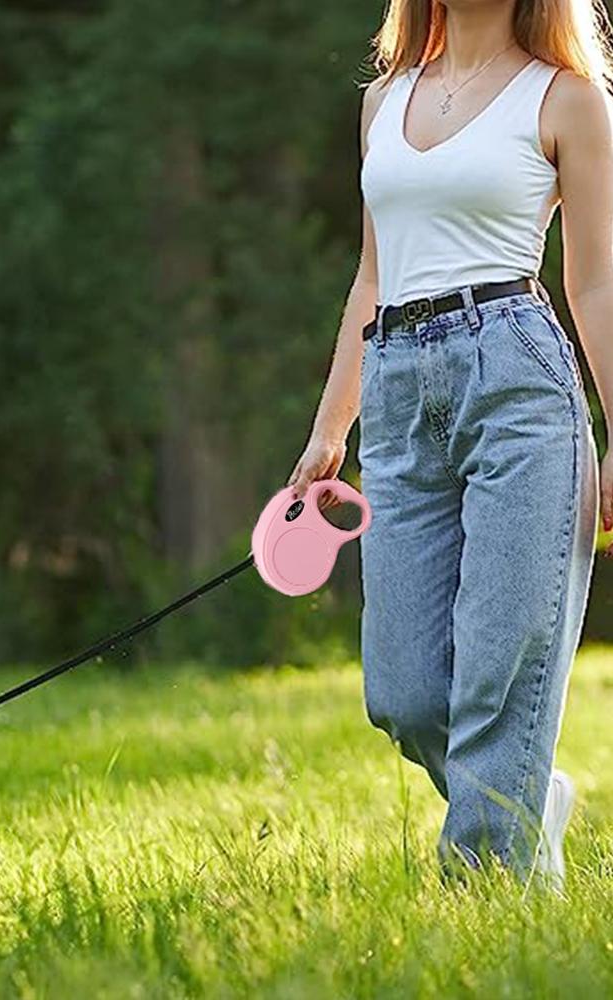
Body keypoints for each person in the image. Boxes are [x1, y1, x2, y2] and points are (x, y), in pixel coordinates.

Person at [285, 0, 613, 889]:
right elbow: (372, 277)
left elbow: (594, 282)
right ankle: (526, 796)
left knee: (500, 674)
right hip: (395, 383)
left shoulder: (567, 98)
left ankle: (487, 900)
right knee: (404, 693)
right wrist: (331, 427)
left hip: (517, 379)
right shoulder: (383, 100)